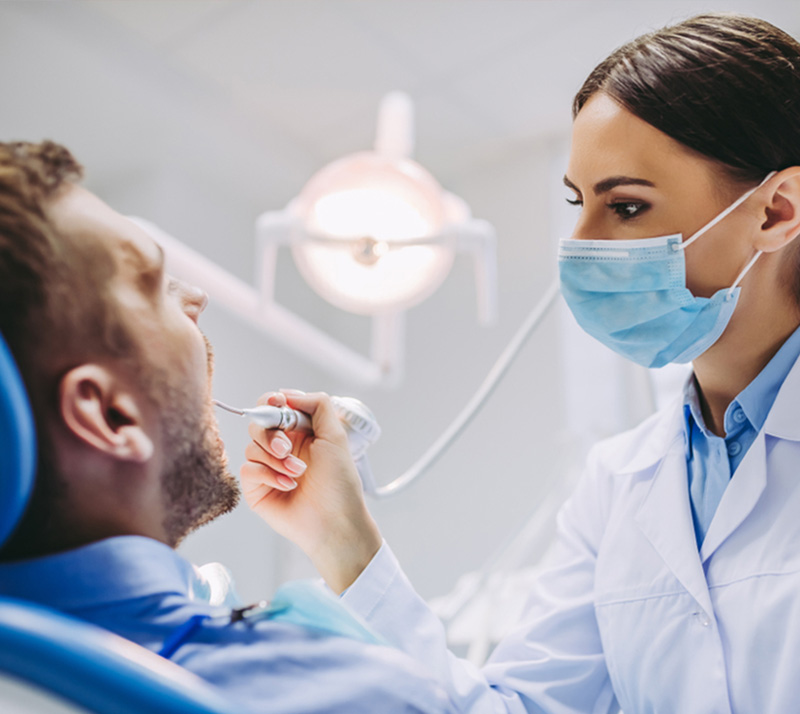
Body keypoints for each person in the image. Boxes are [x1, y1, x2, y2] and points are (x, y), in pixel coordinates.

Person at [241, 12, 800, 713]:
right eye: (577, 204)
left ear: (776, 210)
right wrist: (342, 539)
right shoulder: (619, 484)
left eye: (625, 206)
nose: (579, 245)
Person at [0, 140, 454, 714]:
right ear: (108, 415)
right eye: (149, 281)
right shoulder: (348, 693)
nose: (196, 297)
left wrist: (342, 540)